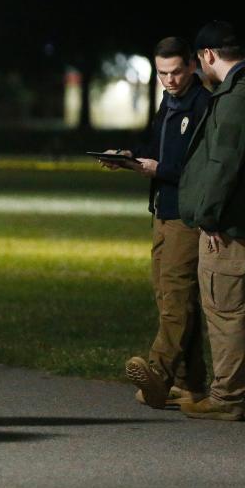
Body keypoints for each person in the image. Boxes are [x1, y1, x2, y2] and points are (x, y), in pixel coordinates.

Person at [140, 21, 245, 421]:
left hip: (234, 221)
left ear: (205, 57)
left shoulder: (236, 96)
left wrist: (207, 215)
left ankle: (227, 397)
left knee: (225, 310)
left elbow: (223, 162)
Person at [103, 37, 211, 409]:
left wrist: (158, 169)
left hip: (187, 214)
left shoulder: (203, 105)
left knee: (177, 299)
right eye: (163, 73)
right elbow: (155, 147)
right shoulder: (169, 102)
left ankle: (159, 375)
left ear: (193, 66)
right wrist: (130, 158)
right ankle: (191, 382)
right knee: (168, 296)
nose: (170, 80)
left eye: (177, 71)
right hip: (163, 211)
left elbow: (201, 168)